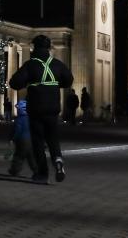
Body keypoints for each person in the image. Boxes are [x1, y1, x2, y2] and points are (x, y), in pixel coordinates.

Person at [8, 34, 74, 184]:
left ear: (34, 48)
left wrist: (29, 82)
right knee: (53, 138)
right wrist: (56, 84)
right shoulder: (57, 64)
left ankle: (42, 174)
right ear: (49, 48)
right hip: (53, 109)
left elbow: (15, 82)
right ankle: (58, 160)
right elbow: (69, 79)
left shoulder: (31, 65)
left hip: (36, 109)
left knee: (38, 141)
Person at [7, 99, 37, 177]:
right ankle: (37, 171)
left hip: (22, 141)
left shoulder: (19, 119)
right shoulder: (30, 119)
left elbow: (18, 131)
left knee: (18, 156)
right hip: (30, 140)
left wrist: (13, 138)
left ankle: (14, 170)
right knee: (31, 157)